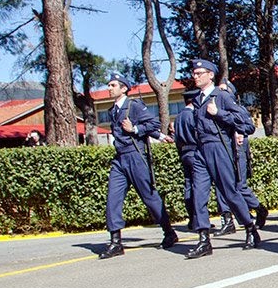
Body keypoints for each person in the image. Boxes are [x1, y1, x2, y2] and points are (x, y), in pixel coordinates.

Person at [185, 59, 261, 258]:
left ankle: (250, 228)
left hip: (220, 148)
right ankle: (204, 239)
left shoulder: (222, 97)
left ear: (210, 75)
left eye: (200, 73)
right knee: (198, 195)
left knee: (230, 193)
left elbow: (247, 125)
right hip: (201, 150)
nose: (196, 76)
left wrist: (219, 114)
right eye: (194, 73)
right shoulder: (197, 99)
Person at [98, 72, 178, 259]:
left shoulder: (133, 106)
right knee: (113, 198)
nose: (109, 89)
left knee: (149, 197)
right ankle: (116, 241)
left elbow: (152, 124)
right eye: (108, 85)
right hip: (120, 159)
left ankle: (169, 232)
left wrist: (135, 129)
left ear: (123, 88)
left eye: (113, 85)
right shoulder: (113, 110)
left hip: (135, 156)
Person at [212, 79, 268, 236]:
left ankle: (258, 208)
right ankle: (228, 220)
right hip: (223, 150)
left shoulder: (238, 109)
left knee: (239, 186)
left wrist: (240, 131)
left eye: (224, 90)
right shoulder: (213, 109)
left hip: (238, 150)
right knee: (221, 186)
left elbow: (250, 126)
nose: (220, 93)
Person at [173, 89, 202, 236]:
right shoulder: (193, 115)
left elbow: (176, 139)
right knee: (199, 186)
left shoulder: (178, 117)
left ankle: (191, 218)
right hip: (195, 152)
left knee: (188, 186)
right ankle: (198, 219)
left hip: (184, 153)